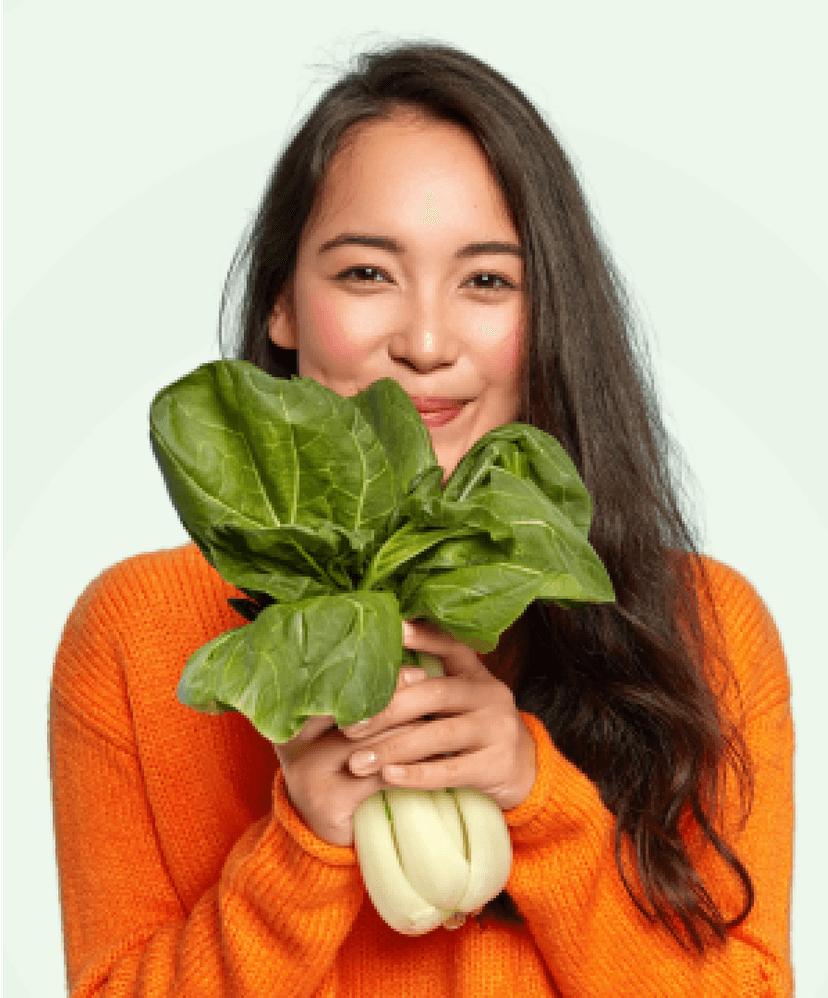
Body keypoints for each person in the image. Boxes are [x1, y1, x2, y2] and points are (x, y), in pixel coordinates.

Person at [48, 40, 793, 996]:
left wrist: (537, 796)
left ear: (549, 313)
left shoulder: (708, 622)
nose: (427, 343)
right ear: (283, 301)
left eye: (487, 281)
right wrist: (305, 848)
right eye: (367, 274)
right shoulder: (137, 636)